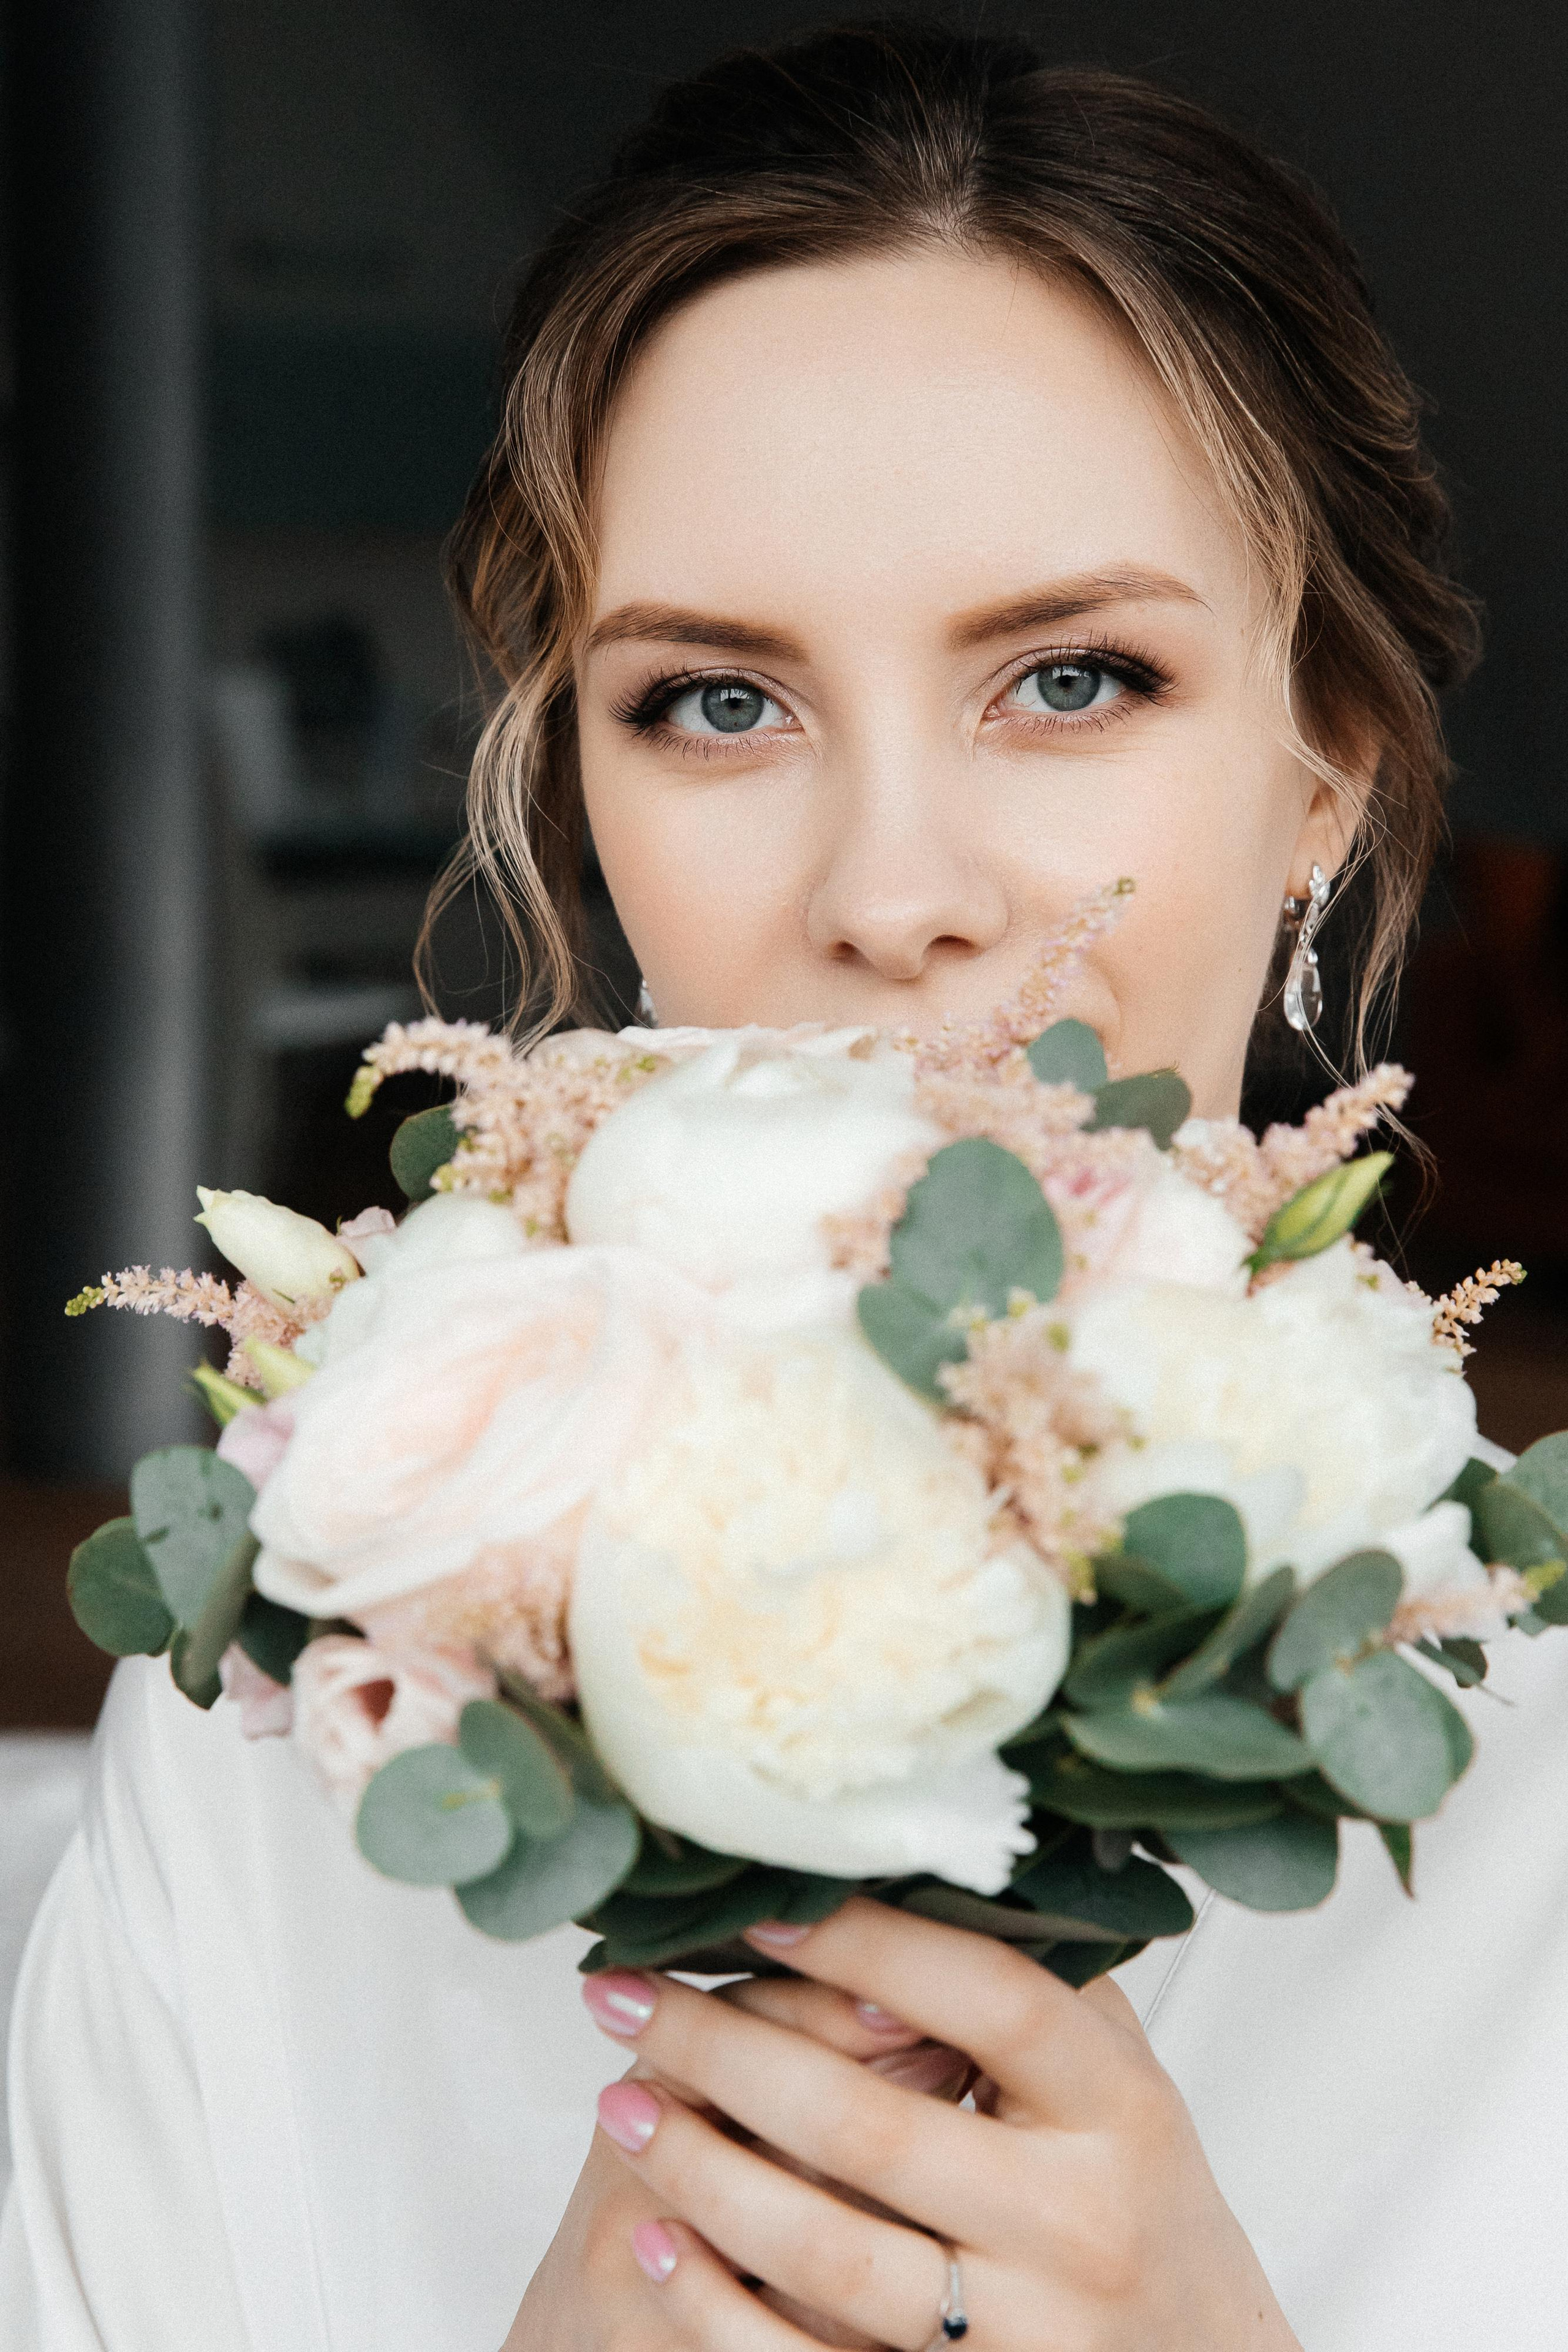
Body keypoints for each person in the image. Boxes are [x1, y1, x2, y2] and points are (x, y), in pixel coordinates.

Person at [4, 22, 1564, 2351]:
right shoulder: (269, 1750)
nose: (894, 891)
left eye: (1070, 678)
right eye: (719, 702)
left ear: (1324, 771)